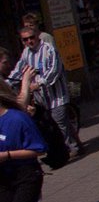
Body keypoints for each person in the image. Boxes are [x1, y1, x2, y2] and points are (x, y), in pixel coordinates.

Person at [11, 26, 82, 158]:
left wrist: (38, 83)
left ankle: (68, 149)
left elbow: (53, 71)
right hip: (41, 99)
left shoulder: (49, 49)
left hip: (57, 96)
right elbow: (18, 70)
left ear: (37, 36)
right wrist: (7, 82)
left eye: (31, 38)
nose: (29, 41)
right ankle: (76, 143)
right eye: (25, 39)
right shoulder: (26, 53)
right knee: (55, 123)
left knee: (59, 123)